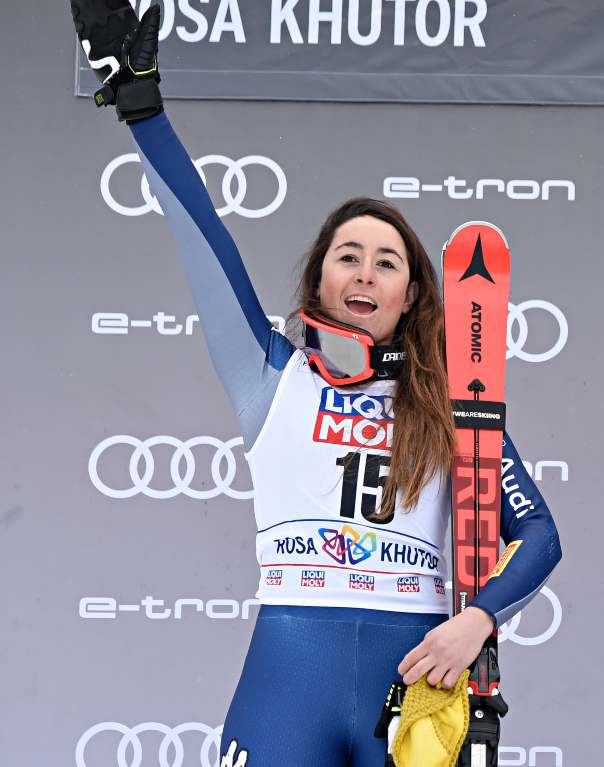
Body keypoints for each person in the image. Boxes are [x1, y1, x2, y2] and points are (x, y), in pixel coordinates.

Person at [70, 3, 562, 765]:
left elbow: (539, 535)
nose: (366, 271)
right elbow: (205, 236)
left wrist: (480, 621)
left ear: (411, 296)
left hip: (415, 677)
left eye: (387, 261)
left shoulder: (452, 405)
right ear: (320, 279)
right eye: (348, 255)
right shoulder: (269, 372)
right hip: (287, 680)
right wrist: (144, 112)